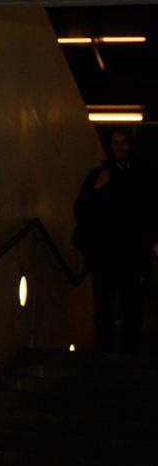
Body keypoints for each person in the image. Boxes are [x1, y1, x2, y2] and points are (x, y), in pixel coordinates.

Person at [73, 127, 158, 353]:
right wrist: (97, 189)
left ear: (130, 145)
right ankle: (108, 352)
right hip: (107, 252)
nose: (120, 147)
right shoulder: (103, 175)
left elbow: (150, 212)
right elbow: (80, 210)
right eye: (116, 143)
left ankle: (124, 352)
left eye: (123, 143)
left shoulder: (141, 176)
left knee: (130, 306)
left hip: (129, 252)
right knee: (107, 305)